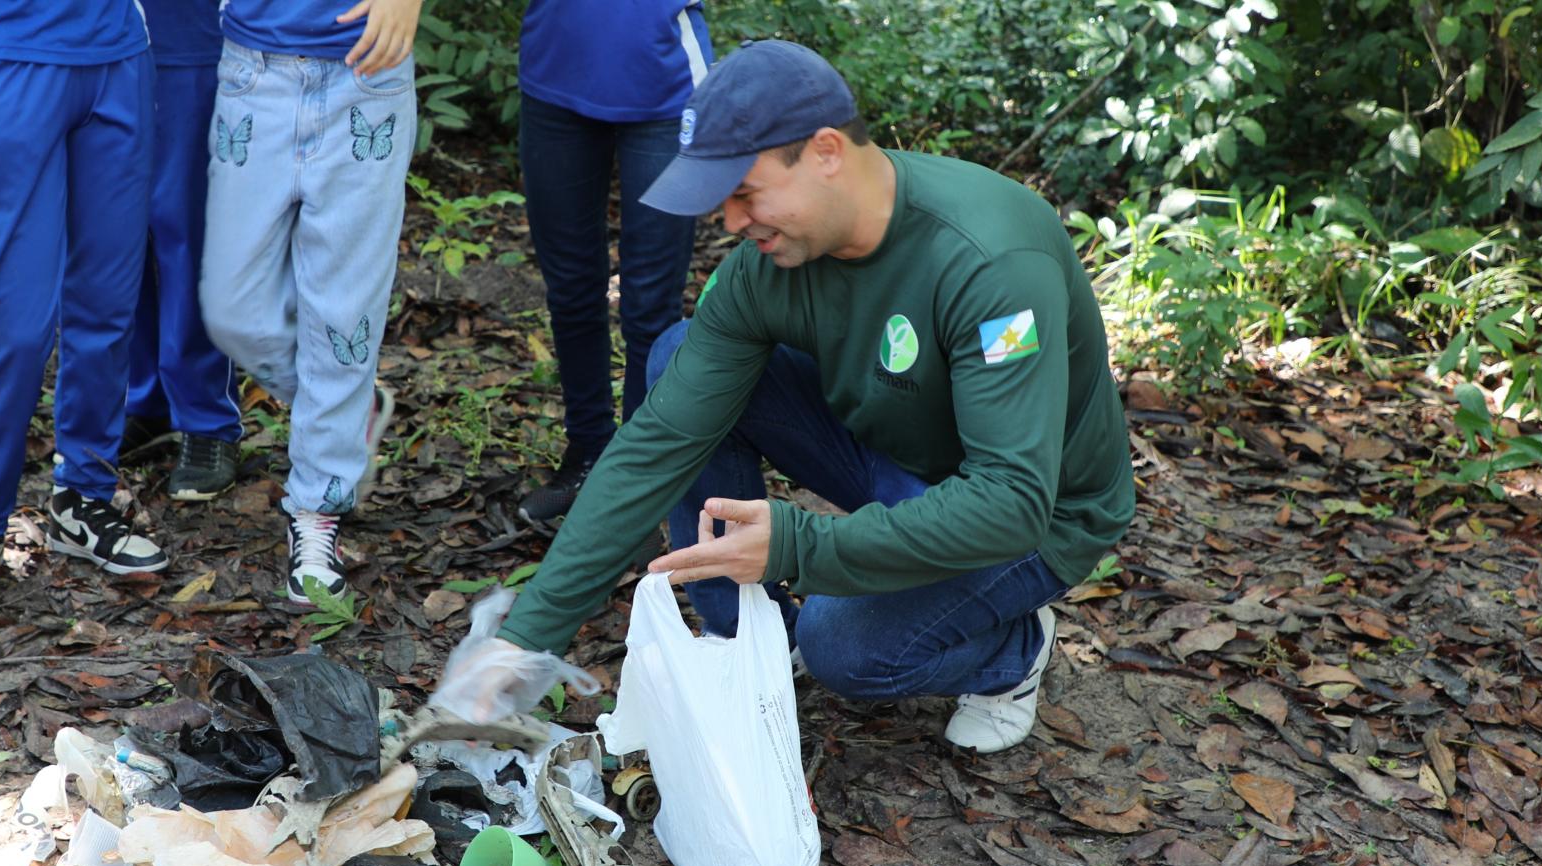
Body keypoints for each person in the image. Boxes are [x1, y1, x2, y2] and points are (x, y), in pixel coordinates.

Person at [439, 41, 1133, 753]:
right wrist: (524, 642)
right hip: (893, 443)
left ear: (826, 151)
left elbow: (1010, 503)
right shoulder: (767, 269)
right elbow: (656, 447)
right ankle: (747, 647)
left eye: (745, 191)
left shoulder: (989, 263)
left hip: (1040, 509)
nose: (731, 221)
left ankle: (1011, 651)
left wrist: (799, 543)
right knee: (679, 356)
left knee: (845, 646)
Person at [0, 0, 167, 618]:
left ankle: (82, 499)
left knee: (107, 306)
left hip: (119, 53)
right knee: (16, 323)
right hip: (13, 54)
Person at [198, 0, 418, 605]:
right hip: (253, 72)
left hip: (368, 73)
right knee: (229, 307)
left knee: (346, 308)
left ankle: (318, 511)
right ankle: (348, 413)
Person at [512, 0, 715, 530]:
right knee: (573, 289)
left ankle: (637, 485)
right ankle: (588, 456)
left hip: (666, 85)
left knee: (651, 303)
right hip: (555, 74)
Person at [126, 0, 244, 501]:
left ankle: (206, 418)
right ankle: (143, 400)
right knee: (114, 234)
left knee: (186, 230)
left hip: (190, 33)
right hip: (95, 41)